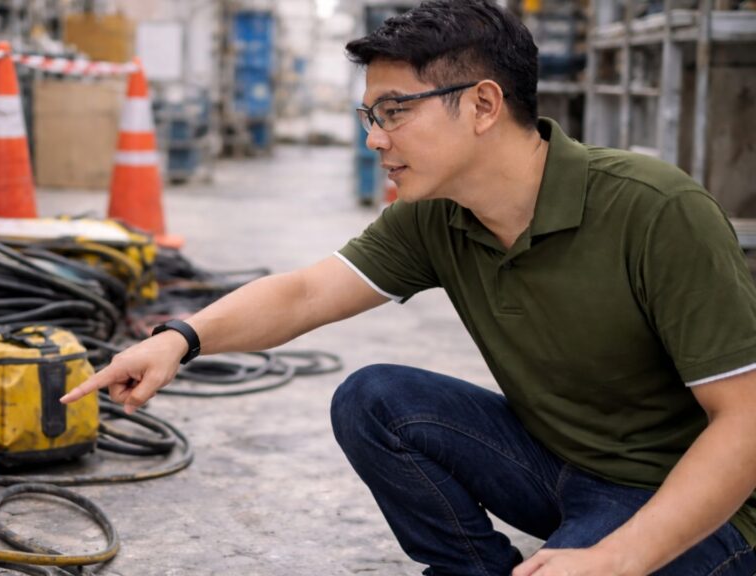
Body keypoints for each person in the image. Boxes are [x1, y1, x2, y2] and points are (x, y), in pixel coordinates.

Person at [61, 0, 756, 573]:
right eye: (371, 116)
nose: (375, 138)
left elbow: (748, 423)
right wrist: (181, 340)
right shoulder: (437, 216)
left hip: (685, 497)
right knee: (374, 399)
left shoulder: (653, 210)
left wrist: (622, 557)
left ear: (483, 104)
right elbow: (306, 293)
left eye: (394, 111)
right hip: (559, 467)